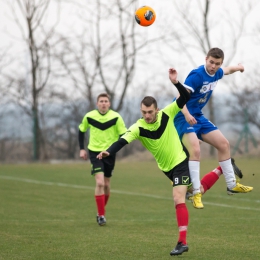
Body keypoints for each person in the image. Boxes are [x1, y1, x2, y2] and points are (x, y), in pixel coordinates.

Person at [97, 68, 192, 256]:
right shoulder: (138, 127)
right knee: (197, 191)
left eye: (149, 112)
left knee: (177, 198)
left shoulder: (167, 113)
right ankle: (221, 170)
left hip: (181, 159)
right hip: (167, 169)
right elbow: (122, 140)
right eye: (143, 112)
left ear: (156, 110)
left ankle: (182, 242)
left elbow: (185, 97)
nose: (146, 115)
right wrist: (109, 151)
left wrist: (175, 82)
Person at [173, 47, 253, 209]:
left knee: (224, 144)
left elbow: (228, 70)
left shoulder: (217, 72)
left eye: (217, 64)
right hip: (183, 117)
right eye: (211, 62)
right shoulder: (196, 76)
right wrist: (187, 115)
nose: (213, 66)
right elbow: (179, 97)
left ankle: (231, 184)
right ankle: (196, 193)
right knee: (195, 149)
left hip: (198, 116)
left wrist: (239, 68)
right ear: (205, 59)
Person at [78, 93, 127, 226]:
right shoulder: (89, 116)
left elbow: (124, 134)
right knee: (99, 183)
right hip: (95, 152)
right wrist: (82, 149)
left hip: (110, 153)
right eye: (101, 101)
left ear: (109, 104)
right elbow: (81, 130)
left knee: (106, 184)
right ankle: (101, 215)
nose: (104, 103)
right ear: (97, 103)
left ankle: (101, 211)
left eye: (106, 101)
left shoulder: (116, 117)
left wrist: (116, 148)